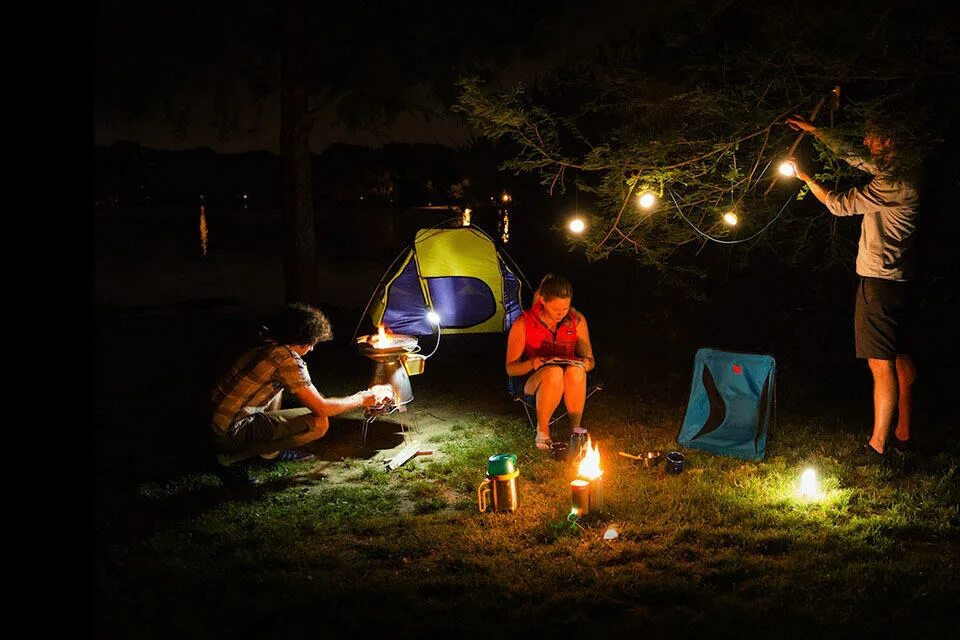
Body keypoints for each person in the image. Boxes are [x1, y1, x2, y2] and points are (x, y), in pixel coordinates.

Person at [786, 113, 919, 464]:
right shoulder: (904, 172)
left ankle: (878, 445)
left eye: (873, 137)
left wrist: (806, 178)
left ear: (890, 142)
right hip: (901, 283)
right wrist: (814, 130)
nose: (866, 143)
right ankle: (904, 435)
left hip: (879, 284)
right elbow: (856, 157)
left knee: (881, 365)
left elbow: (838, 205)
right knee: (902, 359)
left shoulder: (893, 184)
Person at [210, 303, 392, 484]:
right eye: (311, 343)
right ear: (301, 338)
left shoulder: (267, 344)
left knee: (279, 388)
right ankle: (231, 459)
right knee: (319, 423)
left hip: (213, 421)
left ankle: (269, 454)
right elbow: (322, 408)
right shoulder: (286, 359)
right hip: (229, 433)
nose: (312, 348)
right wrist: (361, 398)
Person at [505, 274, 596, 449]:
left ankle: (576, 430)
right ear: (543, 301)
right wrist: (533, 363)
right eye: (556, 309)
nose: (561, 314)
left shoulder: (576, 320)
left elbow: (591, 362)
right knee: (553, 372)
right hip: (531, 381)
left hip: (568, 379)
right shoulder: (523, 323)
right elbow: (511, 369)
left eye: (565, 308)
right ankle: (543, 431)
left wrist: (586, 363)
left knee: (576, 370)